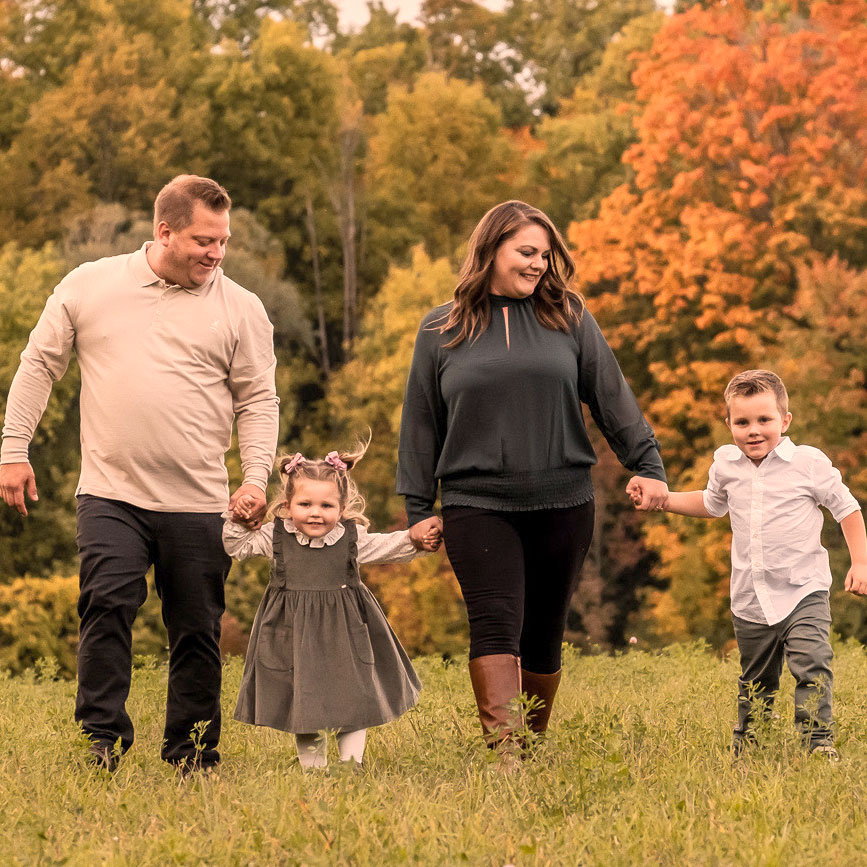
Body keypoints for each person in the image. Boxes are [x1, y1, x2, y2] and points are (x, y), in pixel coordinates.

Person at [0, 175, 279, 773]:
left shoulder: (242, 308)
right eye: (205, 240)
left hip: (201, 500)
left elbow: (258, 400)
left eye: (223, 241)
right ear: (165, 231)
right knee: (106, 602)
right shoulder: (89, 285)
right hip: (111, 492)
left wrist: (255, 478)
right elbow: (38, 365)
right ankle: (99, 742)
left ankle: (193, 752)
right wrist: (12, 449)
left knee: (198, 629)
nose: (217, 253)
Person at [396, 200, 668, 755]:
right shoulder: (440, 327)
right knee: (494, 625)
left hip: (563, 501)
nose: (538, 264)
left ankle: (532, 748)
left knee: (543, 633)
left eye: (545, 254)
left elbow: (610, 394)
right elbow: (421, 422)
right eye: (526, 252)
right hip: (477, 504)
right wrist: (419, 509)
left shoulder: (568, 316)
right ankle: (506, 758)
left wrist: (648, 464)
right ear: (491, 250)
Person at [630, 369, 867, 758]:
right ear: (729, 424)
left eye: (764, 420)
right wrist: (664, 499)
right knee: (756, 681)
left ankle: (818, 744)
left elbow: (847, 509)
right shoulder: (726, 464)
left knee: (812, 662)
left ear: (785, 421)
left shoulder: (807, 463)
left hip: (803, 588)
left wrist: (860, 562)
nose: (753, 431)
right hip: (750, 597)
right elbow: (710, 503)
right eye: (742, 422)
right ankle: (750, 747)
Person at [223, 441, 440, 769]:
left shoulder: (349, 538)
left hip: (346, 631)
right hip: (293, 632)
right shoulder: (277, 536)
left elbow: (387, 547)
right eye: (305, 503)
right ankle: (313, 769)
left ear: (341, 508)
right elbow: (237, 545)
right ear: (288, 503)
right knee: (304, 697)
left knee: (354, 694)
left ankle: (351, 766)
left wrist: (414, 537)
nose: (315, 513)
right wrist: (239, 518)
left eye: (326, 506)